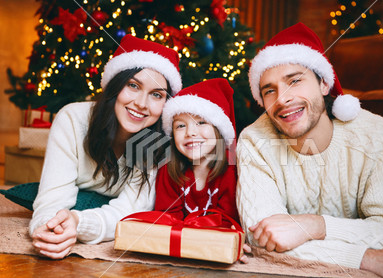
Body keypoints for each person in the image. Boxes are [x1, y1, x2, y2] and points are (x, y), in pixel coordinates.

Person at [236, 22, 383, 278]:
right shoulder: (254, 141)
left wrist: (314, 226)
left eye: (295, 81)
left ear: (324, 84)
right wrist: (366, 258)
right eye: (270, 91)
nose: (282, 99)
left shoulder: (375, 133)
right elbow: (263, 242)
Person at [30, 34, 182, 259]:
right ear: (114, 85)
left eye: (156, 94)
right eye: (133, 85)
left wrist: (78, 223)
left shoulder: (158, 142)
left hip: (91, 214)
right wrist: (50, 228)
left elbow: (131, 211)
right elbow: (52, 200)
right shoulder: (72, 119)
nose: (141, 103)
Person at [154, 78, 240, 226]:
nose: (190, 133)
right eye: (180, 126)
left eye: (201, 122)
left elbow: (227, 221)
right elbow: (166, 218)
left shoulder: (231, 169)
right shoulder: (168, 169)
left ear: (218, 130)